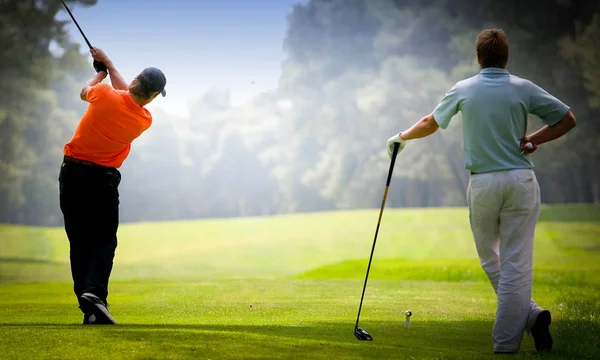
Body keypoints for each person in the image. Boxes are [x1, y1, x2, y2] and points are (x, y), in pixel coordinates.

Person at [386, 29, 576, 353]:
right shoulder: (523, 87)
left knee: (493, 261)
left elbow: (431, 122)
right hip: (520, 181)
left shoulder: (464, 89)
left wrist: (401, 137)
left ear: (478, 58)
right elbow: (567, 119)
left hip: (484, 183)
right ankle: (531, 316)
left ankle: (505, 345)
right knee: (515, 262)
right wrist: (534, 140)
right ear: (506, 57)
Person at [59, 47, 167, 325]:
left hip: (71, 174)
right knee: (104, 241)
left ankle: (92, 308)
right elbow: (129, 99)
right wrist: (107, 66)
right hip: (102, 181)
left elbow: (85, 90)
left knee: (79, 242)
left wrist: (100, 74)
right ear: (154, 96)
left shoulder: (105, 93)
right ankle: (94, 295)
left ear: (135, 80)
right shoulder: (144, 119)